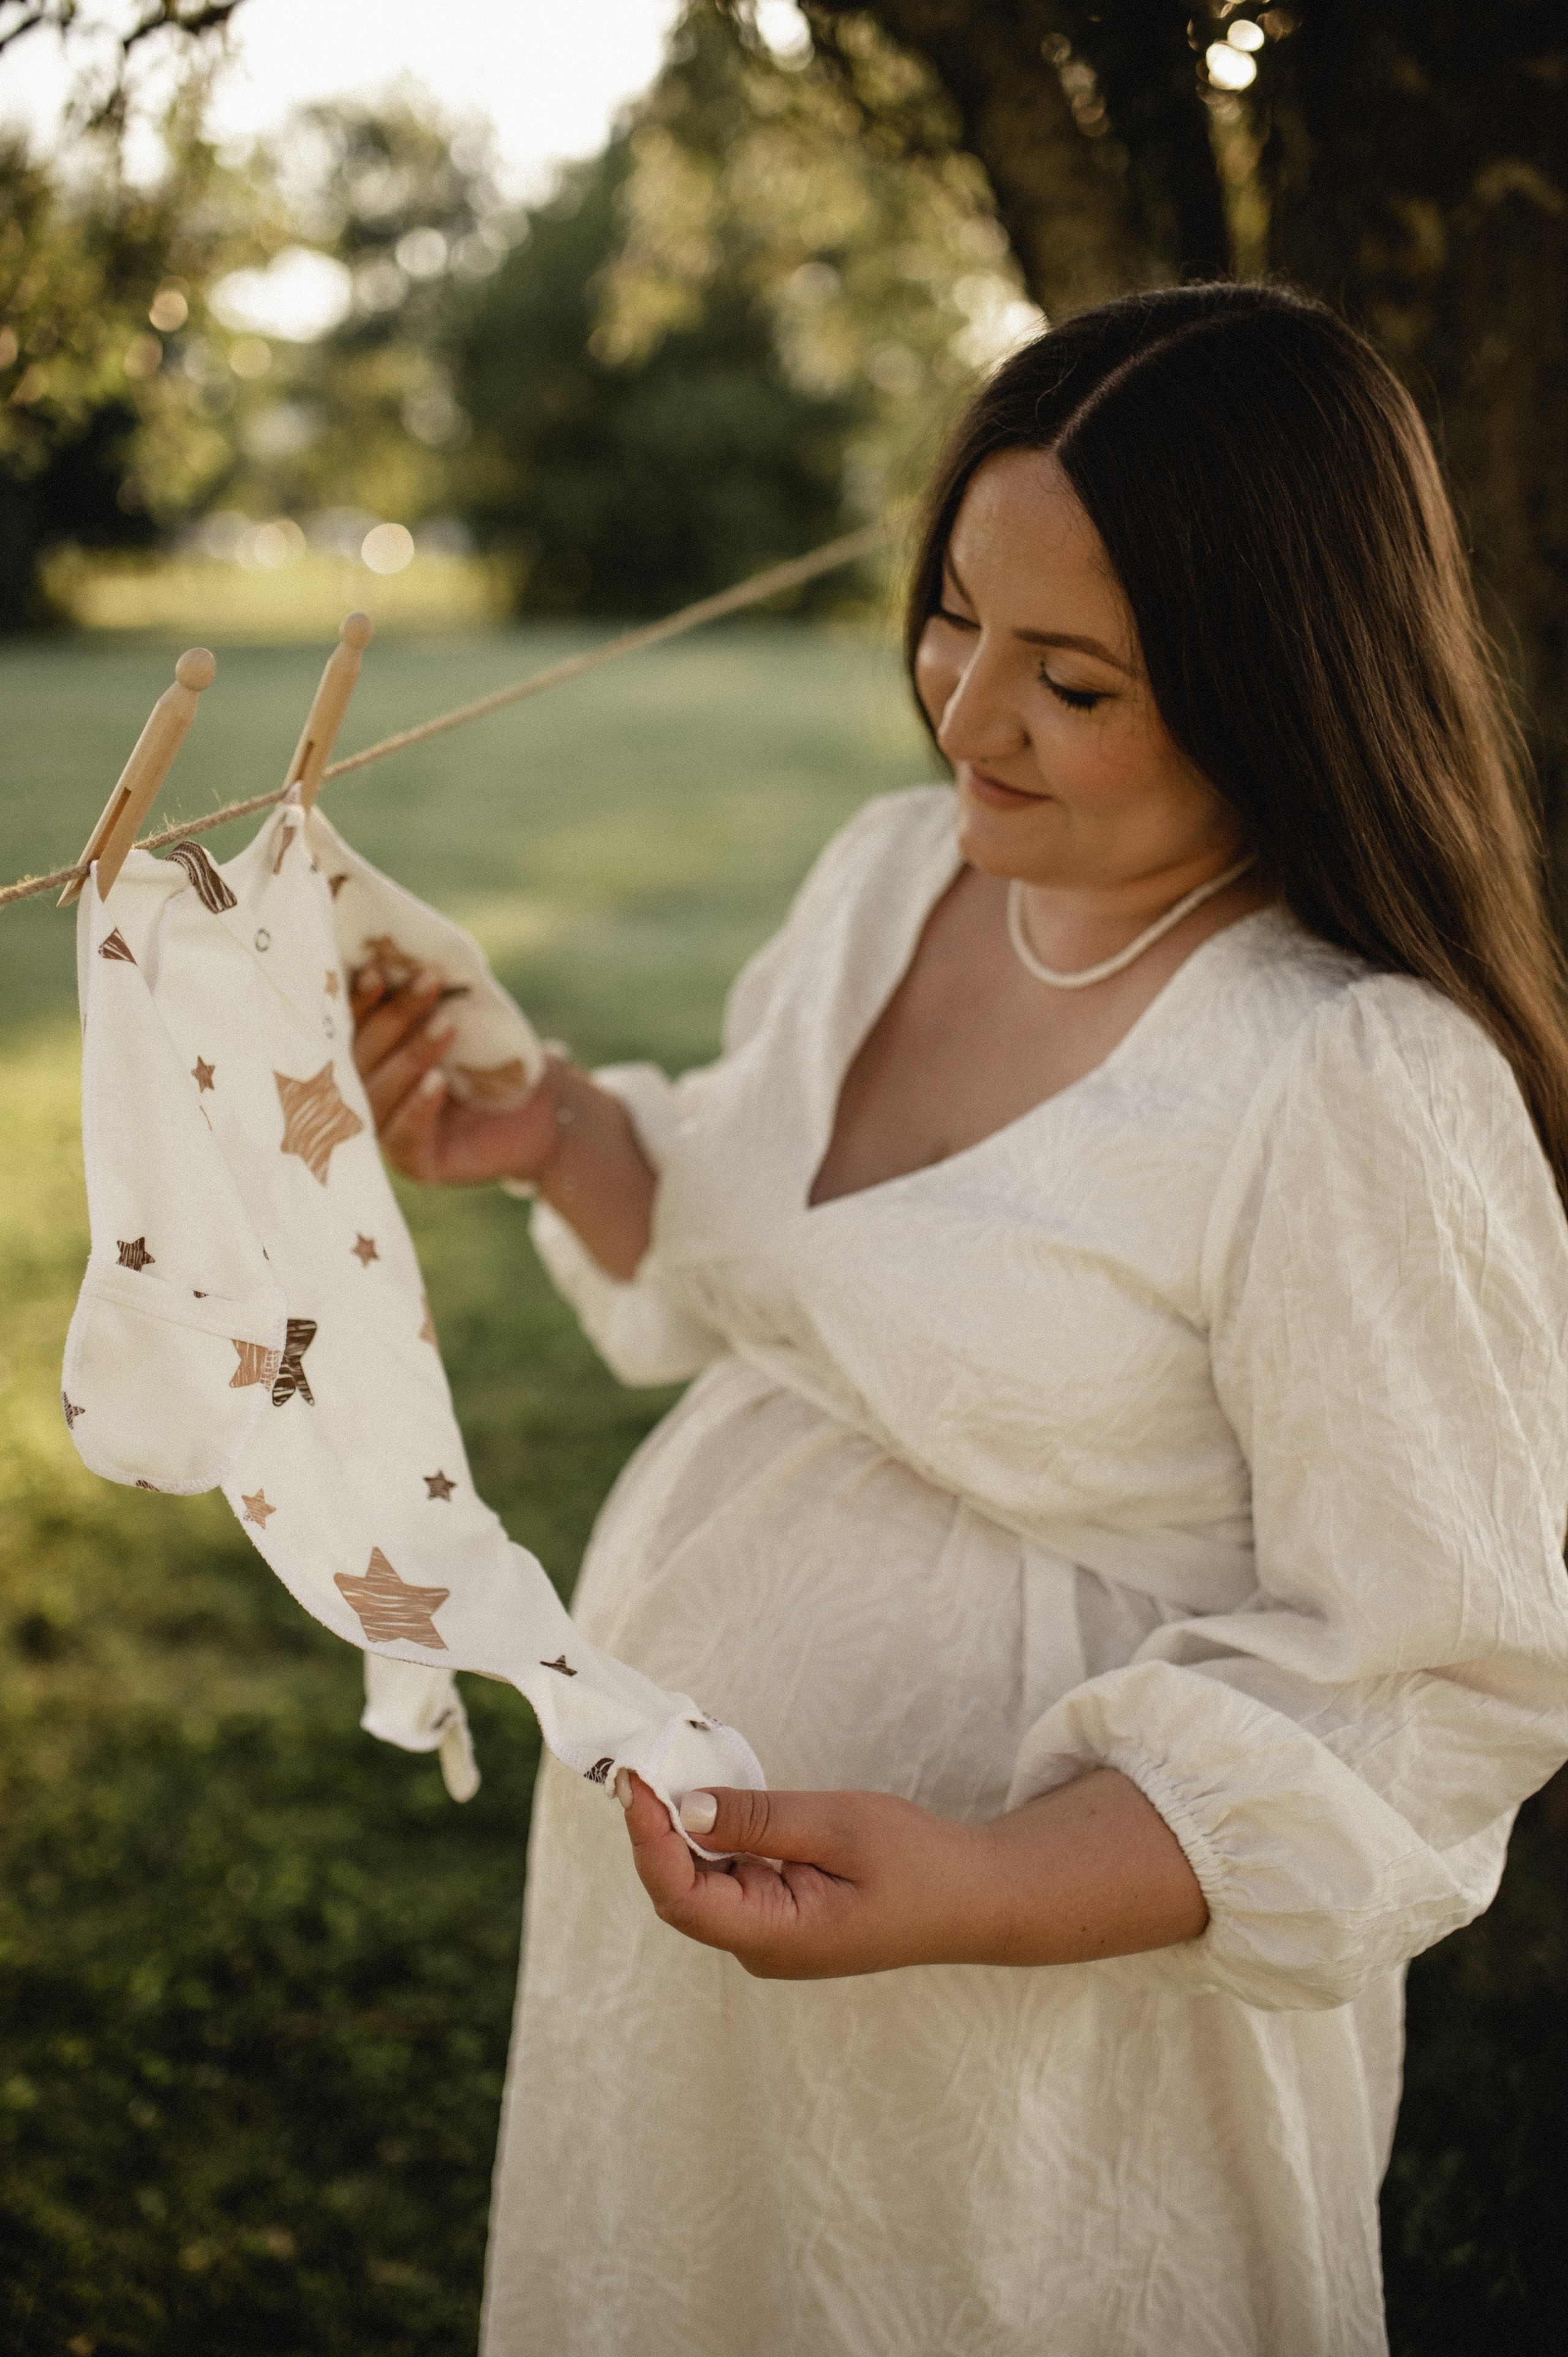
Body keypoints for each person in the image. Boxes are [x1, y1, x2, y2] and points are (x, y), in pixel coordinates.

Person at [350, 284, 1568, 2357]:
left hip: (1054, 2042)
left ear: (1278, 688)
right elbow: (764, 1237)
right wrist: (553, 1131)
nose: (968, 713)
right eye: (952, 617)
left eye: (1069, 680)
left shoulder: (1353, 1078)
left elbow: (1433, 1687)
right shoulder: (894, 874)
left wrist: (985, 1886)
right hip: (695, 1974)